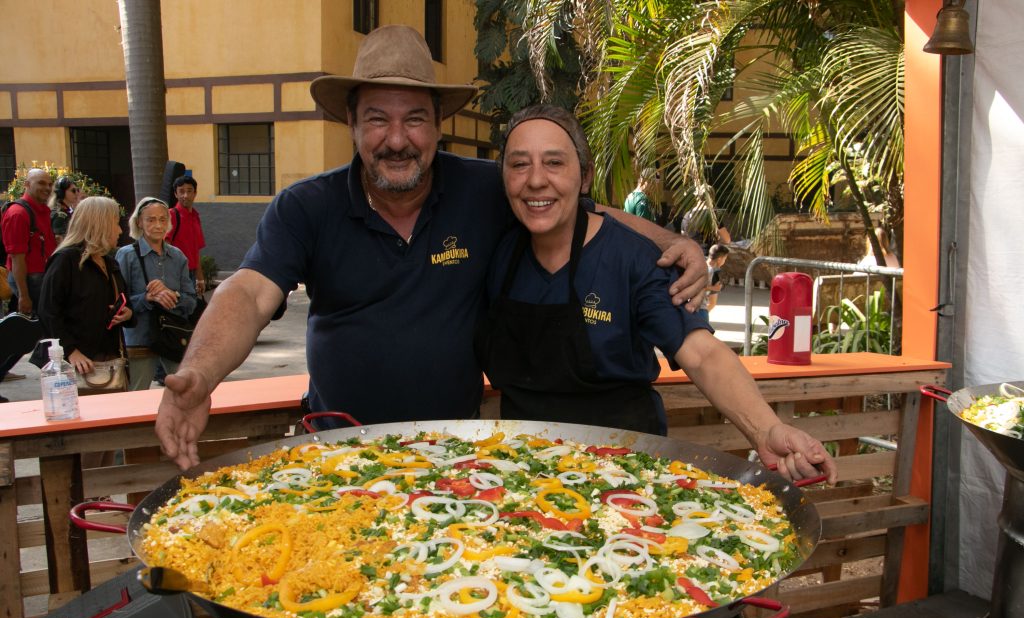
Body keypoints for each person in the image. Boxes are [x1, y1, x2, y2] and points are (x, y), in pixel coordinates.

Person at [155, 24, 707, 470]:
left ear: (437, 124)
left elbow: (574, 209)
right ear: (350, 122)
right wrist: (200, 376)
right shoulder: (306, 206)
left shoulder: (485, 189)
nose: (397, 139)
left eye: (414, 118)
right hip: (339, 456)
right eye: (377, 118)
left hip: (459, 457)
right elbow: (249, 294)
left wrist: (672, 241)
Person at [475, 105, 836, 484]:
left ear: (584, 178)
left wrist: (765, 430)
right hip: (522, 470)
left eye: (554, 163)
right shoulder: (497, 251)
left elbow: (701, 353)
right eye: (519, 165)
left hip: (624, 471)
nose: (535, 180)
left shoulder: (635, 259)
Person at [37, 197, 133, 465]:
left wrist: (128, 313)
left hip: (109, 361)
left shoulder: (108, 262)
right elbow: (47, 311)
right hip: (78, 366)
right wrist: (71, 351)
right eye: (115, 223)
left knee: (108, 435)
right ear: (100, 224)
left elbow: (123, 300)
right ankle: (85, 498)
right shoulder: (66, 260)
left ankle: (99, 498)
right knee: (87, 440)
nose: (120, 230)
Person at [115, 198, 196, 391]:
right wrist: (147, 298)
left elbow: (191, 302)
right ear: (139, 223)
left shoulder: (177, 256)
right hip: (139, 338)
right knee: (136, 394)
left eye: (162, 219)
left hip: (172, 336)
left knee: (186, 390)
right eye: (150, 220)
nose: (157, 225)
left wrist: (171, 295)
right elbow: (119, 303)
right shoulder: (127, 255)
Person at [1, 168, 58, 388]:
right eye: (40, 183)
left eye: (49, 183)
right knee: (33, 330)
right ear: (27, 184)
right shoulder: (18, 213)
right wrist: (24, 295)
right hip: (30, 280)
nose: (46, 187)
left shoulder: (40, 210)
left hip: (39, 278)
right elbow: (17, 257)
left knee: (28, 331)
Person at [167, 175, 207, 297]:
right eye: (181, 191)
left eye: (189, 191)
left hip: (191, 273)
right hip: (177, 274)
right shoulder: (171, 215)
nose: (186, 195)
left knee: (191, 309)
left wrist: (200, 278)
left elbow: (196, 250)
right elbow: (165, 246)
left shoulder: (195, 217)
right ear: (175, 194)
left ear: (195, 193)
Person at [697, 243, 730, 323]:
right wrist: (714, 288)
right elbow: (712, 303)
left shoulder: (698, 264)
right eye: (724, 259)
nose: (724, 262)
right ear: (719, 259)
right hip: (700, 308)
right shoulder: (713, 272)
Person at [49, 175, 82, 245]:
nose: (76, 193)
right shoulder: (60, 214)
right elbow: (58, 238)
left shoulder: (68, 209)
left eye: (77, 190)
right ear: (61, 193)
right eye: (73, 191)